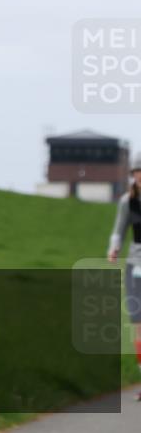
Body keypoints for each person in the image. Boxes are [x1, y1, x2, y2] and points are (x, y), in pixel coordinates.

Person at [107, 156, 141, 402]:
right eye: (138, 172)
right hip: (135, 265)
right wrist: (114, 249)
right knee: (139, 325)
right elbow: (119, 230)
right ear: (133, 174)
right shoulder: (128, 202)